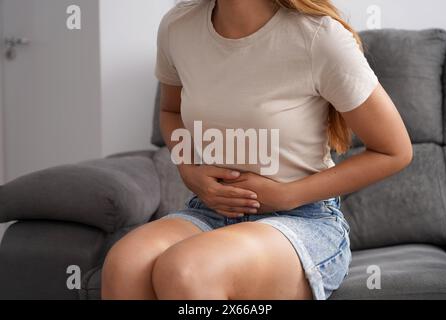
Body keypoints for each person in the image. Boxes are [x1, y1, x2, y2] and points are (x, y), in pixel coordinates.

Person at [102, 0, 413, 300]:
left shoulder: (320, 36)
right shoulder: (178, 27)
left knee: (188, 269)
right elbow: (171, 112)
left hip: (302, 218)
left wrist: (287, 195)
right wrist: (188, 168)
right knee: (125, 264)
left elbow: (394, 151)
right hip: (211, 210)